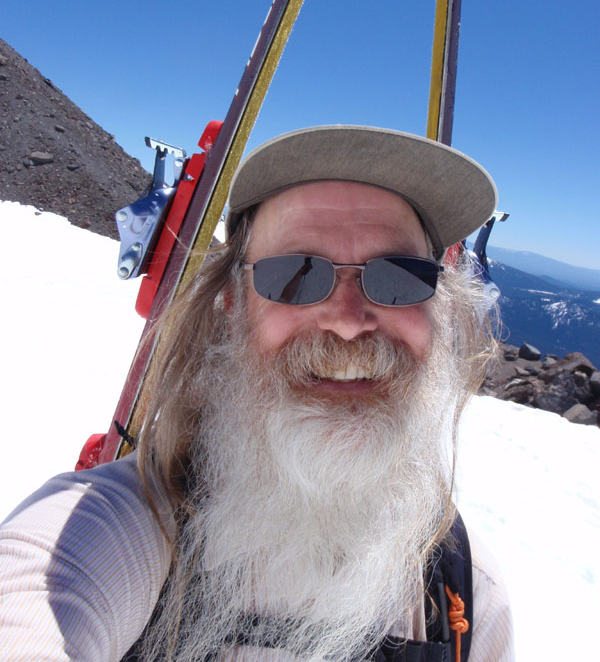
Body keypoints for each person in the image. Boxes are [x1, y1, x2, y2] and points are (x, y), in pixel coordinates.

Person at [0, 125, 514, 661]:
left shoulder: (466, 594)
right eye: (295, 274)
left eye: (400, 276)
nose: (348, 322)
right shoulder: (113, 530)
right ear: (231, 306)